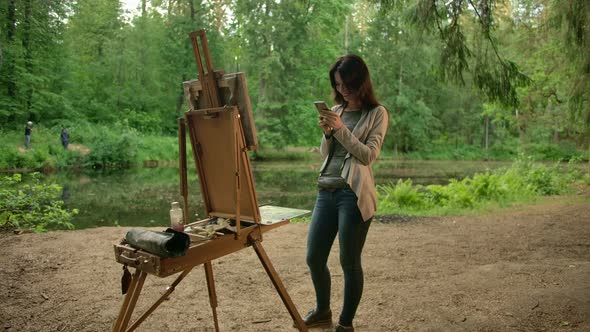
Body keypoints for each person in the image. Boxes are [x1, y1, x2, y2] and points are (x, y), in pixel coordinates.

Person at [303, 54, 389, 332]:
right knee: (314, 257)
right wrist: (329, 134)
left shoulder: (377, 114)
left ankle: (345, 324)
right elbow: (326, 154)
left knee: (349, 261)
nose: (343, 91)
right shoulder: (337, 111)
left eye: (347, 85)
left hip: (352, 196)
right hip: (325, 191)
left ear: (360, 82)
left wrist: (341, 132)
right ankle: (322, 311)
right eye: (338, 85)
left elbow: (368, 155)